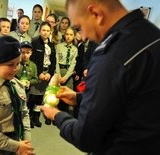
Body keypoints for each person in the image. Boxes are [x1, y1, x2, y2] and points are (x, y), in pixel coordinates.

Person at [41, 0, 160, 154]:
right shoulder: (152, 34)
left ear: (96, 14)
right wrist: (79, 98)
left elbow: (85, 137)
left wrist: (57, 115)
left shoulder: (110, 55)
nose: (83, 36)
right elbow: (131, 98)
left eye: (79, 27)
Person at [30, 22, 56, 127]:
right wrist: (39, 73)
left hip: (47, 73)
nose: (45, 33)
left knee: (41, 97)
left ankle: (36, 117)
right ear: (40, 31)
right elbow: (34, 60)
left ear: (50, 32)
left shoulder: (51, 45)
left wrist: (49, 73)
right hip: (38, 73)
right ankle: (30, 117)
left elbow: (53, 61)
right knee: (33, 96)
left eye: (47, 31)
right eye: (43, 30)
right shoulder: (35, 43)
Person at [55, 26, 78, 114]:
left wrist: (66, 76)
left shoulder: (75, 49)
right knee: (55, 93)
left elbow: (73, 64)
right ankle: (53, 113)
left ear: (74, 36)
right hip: (59, 71)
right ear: (64, 35)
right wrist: (59, 75)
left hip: (68, 73)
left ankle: (63, 113)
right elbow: (56, 61)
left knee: (66, 94)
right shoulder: (59, 46)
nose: (68, 36)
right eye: (67, 34)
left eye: (71, 35)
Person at [16, 41, 38, 128]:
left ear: (31, 53)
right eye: (23, 52)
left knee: (24, 108)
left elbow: (36, 79)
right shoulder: (16, 64)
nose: (25, 55)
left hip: (26, 92)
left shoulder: (33, 66)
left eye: (27, 53)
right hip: (16, 90)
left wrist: (30, 82)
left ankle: (23, 123)